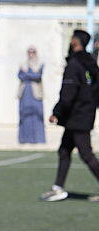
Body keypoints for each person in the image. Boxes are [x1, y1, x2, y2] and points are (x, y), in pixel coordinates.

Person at [40, 29, 99, 202]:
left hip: (77, 116)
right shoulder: (90, 62)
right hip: (85, 113)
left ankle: (58, 188)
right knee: (64, 150)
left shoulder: (74, 64)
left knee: (86, 153)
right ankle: (58, 188)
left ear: (75, 41)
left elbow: (68, 93)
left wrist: (56, 112)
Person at [18, 46, 46, 144]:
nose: (31, 54)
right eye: (29, 52)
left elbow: (37, 76)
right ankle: (24, 139)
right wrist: (29, 74)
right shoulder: (23, 64)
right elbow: (20, 76)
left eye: (33, 52)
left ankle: (38, 138)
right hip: (25, 92)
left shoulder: (40, 64)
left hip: (36, 93)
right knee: (24, 114)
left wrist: (27, 74)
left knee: (36, 114)